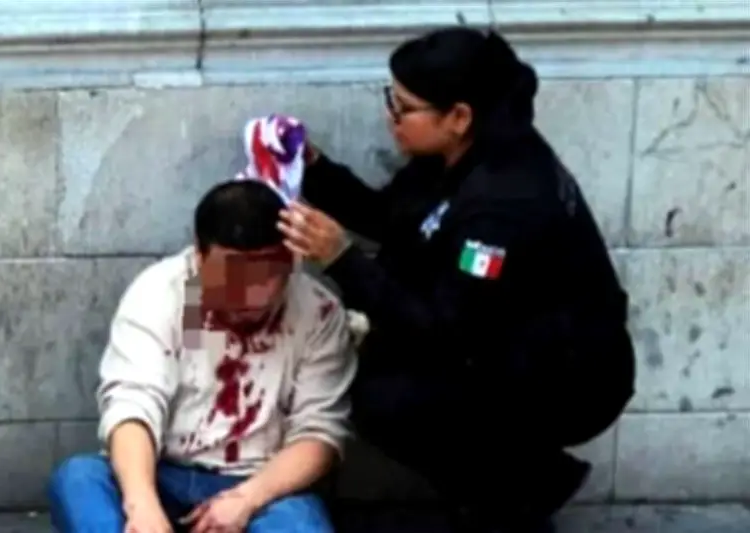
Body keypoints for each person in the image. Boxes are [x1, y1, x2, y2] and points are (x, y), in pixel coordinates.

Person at [277, 27, 636, 532]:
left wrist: (340, 258)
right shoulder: (456, 155)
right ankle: (510, 488)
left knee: (383, 398)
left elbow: (446, 328)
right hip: (501, 340)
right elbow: (390, 216)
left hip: (568, 374)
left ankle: (518, 496)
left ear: (459, 117)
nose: (391, 117)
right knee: (371, 363)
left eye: (404, 108)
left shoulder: (503, 201)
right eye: (390, 100)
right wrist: (313, 167)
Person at [48, 180, 357, 533]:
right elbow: (132, 404)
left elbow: (320, 433)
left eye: (268, 274)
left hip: (262, 485)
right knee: (79, 479)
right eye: (235, 274)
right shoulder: (163, 294)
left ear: (291, 259)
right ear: (199, 255)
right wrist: (142, 505)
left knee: (300, 525)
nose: (253, 295)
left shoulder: (316, 310)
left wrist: (247, 499)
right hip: (162, 472)